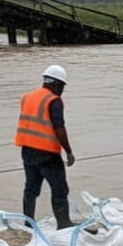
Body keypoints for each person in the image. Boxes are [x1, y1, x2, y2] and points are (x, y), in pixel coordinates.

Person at [13, 64, 75, 229]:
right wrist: (68, 151)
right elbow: (59, 128)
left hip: (27, 151)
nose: (62, 90)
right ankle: (63, 223)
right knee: (60, 189)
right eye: (62, 86)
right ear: (55, 83)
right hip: (47, 153)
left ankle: (28, 223)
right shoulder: (53, 100)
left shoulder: (27, 97)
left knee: (31, 188)